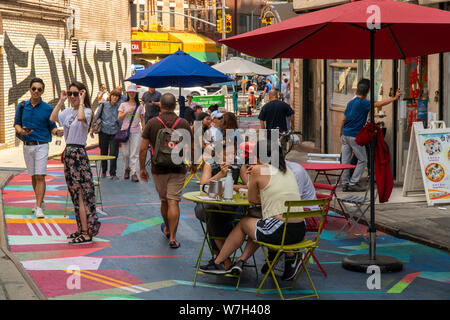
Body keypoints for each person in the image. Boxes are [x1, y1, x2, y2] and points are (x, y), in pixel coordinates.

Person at [205, 140, 305, 280]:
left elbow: (252, 200)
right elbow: (268, 177)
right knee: (257, 223)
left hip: (281, 230)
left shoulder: (259, 170)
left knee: (245, 223)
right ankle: (240, 261)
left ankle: (219, 262)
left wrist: (254, 178)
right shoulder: (287, 170)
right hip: (300, 229)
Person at [139, 93, 195, 249]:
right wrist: (194, 164)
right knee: (174, 201)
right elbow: (191, 146)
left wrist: (142, 168)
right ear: (175, 106)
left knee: (164, 200)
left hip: (158, 168)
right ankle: (173, 237)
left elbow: (143, 148)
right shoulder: (183, 122)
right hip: (178, 167)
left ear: (160, 105)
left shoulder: (152, 123)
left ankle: (167, 228)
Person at [50, 81, 101, 244]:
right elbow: (52, 118)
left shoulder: (86, 111)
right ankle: (81, 228)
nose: (72, 96)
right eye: (70, 94)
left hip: (78, 152)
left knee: (82, 193)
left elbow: (81, 118)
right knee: (74, 193)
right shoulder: (66, 112)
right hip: (69, 153)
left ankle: (86, 232)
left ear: (82, 93)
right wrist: (61, 100)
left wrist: (82, 99)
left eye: (75, 93)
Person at [340, 79, 401, 192]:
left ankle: (345, 183)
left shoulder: (350, 103)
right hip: (354, 135)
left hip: (345, 134)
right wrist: (394, 98)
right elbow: (378, 104)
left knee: (345, 161)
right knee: (363, 159)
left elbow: (344, 119)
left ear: (356, 91)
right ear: (367, 92)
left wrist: (341, 133)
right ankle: (353, 183)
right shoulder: (364, 103)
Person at [197, 142, 249, 272]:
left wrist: (234, 186)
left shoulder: (238, 164)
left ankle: (217, 257)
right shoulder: (210, 163)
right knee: (211, 210)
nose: (230, 157)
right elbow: (202, 186)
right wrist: (220, 175)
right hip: (209, 204)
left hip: (231, 205)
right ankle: (225, 260)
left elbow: (249, 185)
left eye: (233, 154)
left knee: (214, 214)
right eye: (227, 154)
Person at [260, 160, 317, 276]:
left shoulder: (296, 171)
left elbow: (293, 201)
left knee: (263, 219)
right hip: (287, 211)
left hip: (306, 214)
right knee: (260, 216)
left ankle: (283, 254)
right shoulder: (269, 170)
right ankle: (275, 253)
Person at [14, 78, 58, 219]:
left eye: (39, 89)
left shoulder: (47, 108)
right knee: (33, 176)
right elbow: (16, 124)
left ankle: (39, 207)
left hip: (42, 145)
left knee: (40, 175)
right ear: (29, 89)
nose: (36, 91)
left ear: (43, 91)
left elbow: (52, 126)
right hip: (27, 146)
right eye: (34, 88)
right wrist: (21, 131)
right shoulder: (22, 106)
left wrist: (57, 132)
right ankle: (40, 200)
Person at [90, 89, 122, 179]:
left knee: (113, 153)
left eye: (117, 96)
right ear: (110, 96)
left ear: (119, 98)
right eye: (113, 96)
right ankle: (103, 171)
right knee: (103, 152)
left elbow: (120, 120)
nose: (115, 98)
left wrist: (121, 131)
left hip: (115, 132)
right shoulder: (103, 105)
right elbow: (96, 117)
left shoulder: (119, 107)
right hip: (103, 131)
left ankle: (113, 173)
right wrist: (92, 129)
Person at [118, 84, 146, 182]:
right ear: (127, 93)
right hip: (125, 132)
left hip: (136, 132)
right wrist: (126, 112)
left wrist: (144, 130)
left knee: (134, 153)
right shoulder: (123, 105)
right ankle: (127, 168)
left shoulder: (140, 106)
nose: (131, 93)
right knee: (125, 153)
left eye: (133, 92)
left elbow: (142, 119)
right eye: (130, 92)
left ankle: (134, 172)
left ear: (136, 93)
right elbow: (119, 117)